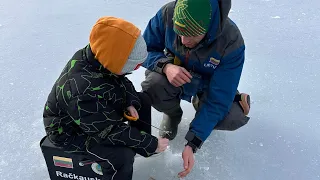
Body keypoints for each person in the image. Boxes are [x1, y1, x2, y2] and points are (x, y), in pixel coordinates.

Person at [42, 16, 169, 180]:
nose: (133, 70)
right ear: (115, 60)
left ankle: (143, 149)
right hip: (70, 132)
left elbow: (120, 79)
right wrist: (150, 142)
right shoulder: (81, 90)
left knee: (141, 101)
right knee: (121, 157)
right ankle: (139, 151)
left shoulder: (99, 56)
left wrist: (130, 101)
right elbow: (108, 131)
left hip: (92, 112)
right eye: (130, 66)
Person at [141, 0, 251, 177]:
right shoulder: (168, 13)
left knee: (231, 116)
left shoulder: (231, 41)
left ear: (208, 30)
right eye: (180, 34)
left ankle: (202, 106)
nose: (184, 41)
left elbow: (219, 98)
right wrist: (166, 67)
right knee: (153, 84)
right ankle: (172, 113)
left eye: (191, 35)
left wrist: (193, 143)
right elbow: (144, 49)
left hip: (208, 84)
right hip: (173, 75)